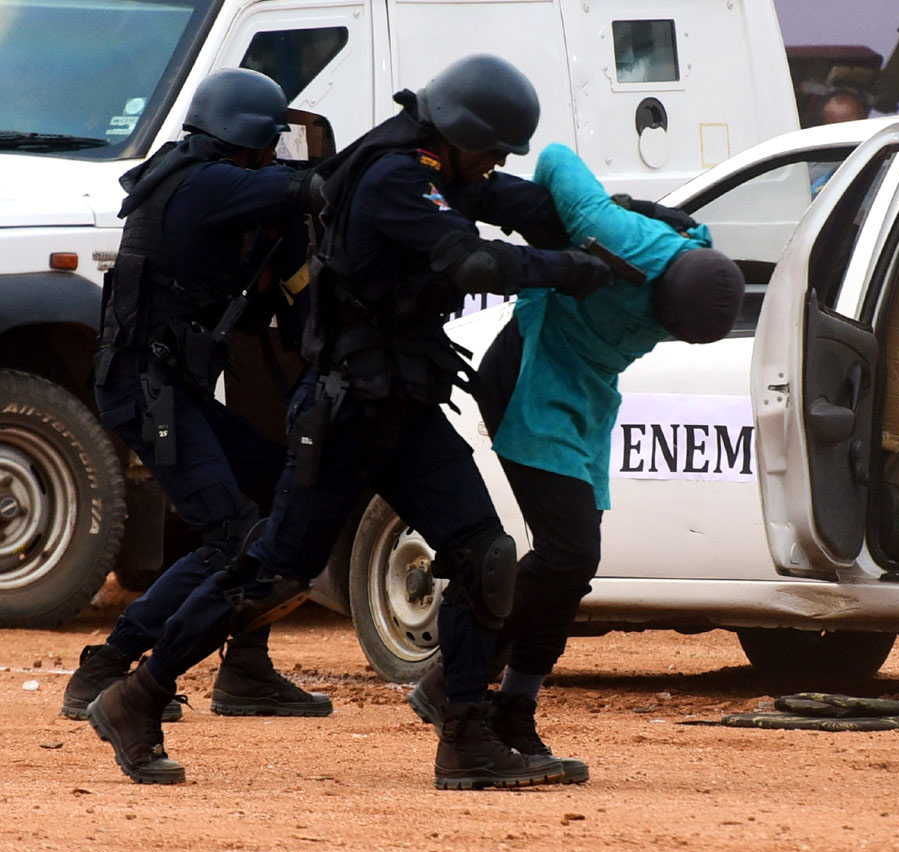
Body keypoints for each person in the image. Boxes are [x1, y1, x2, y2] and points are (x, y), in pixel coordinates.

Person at [85, 54, 614, 788]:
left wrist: (637, 229)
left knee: (484, 556)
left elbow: (518, 205)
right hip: (344, 413)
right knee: (271, 571)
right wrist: (567, 271)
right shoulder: (395, 177)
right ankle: (135, 695)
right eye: (491, 148)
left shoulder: (435, 167)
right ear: (457, 133)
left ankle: (467, 740)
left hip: (404, 405)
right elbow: (473, 263)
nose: (495, 164)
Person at [407, 143, 746, 784]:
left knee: (574, 563)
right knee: (564, 552)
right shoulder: (627, 241)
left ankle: (513, 707)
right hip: (528, 377)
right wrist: (570, 238)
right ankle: (457, 682)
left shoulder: (694, 255)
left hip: (585, 398)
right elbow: (557, 158)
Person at [63, 68, 331, 729]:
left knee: (275, 486)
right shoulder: (208, 185)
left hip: (165, 388)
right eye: (270, 142)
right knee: (232, 536)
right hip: (145, 391)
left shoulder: (192, 173)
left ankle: (246, 671)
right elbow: (299, 188)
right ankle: (107, 664)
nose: (275, 154)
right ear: (246, 141)